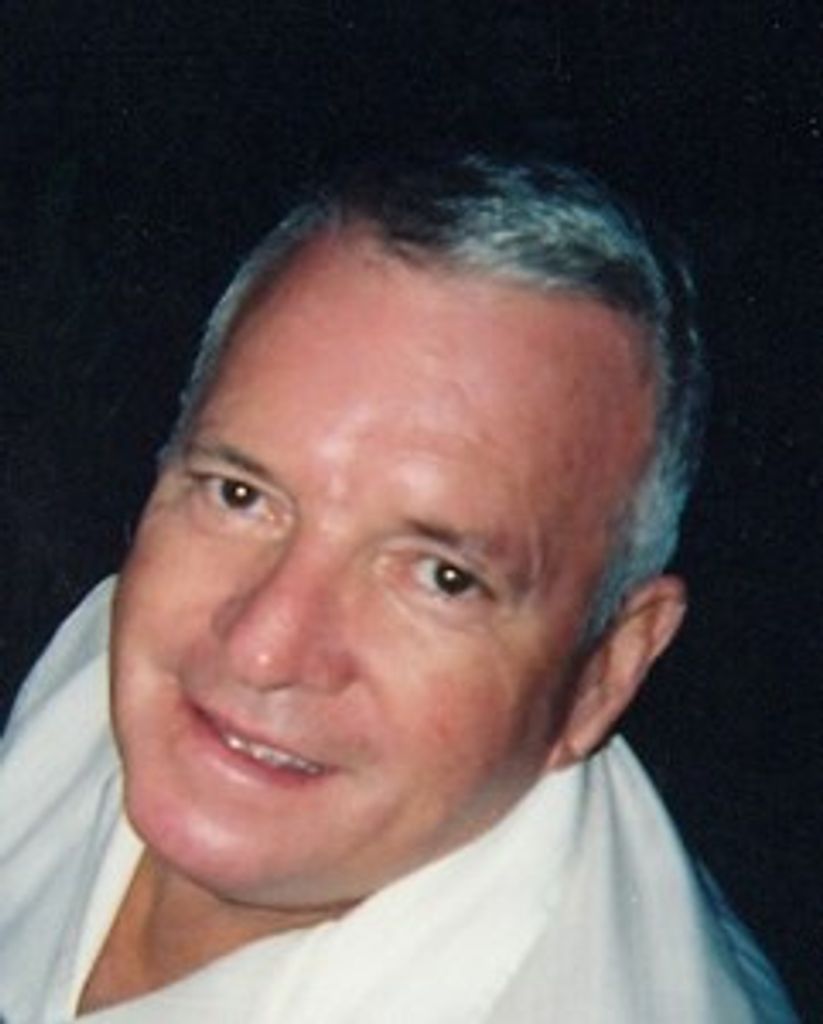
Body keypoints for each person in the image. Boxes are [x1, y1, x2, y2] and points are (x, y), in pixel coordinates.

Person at [0, 153, 797, 1023]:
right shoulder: (111, 650)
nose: (261, 647)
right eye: (241, 495)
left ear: (604, 672)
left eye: (441, 577)